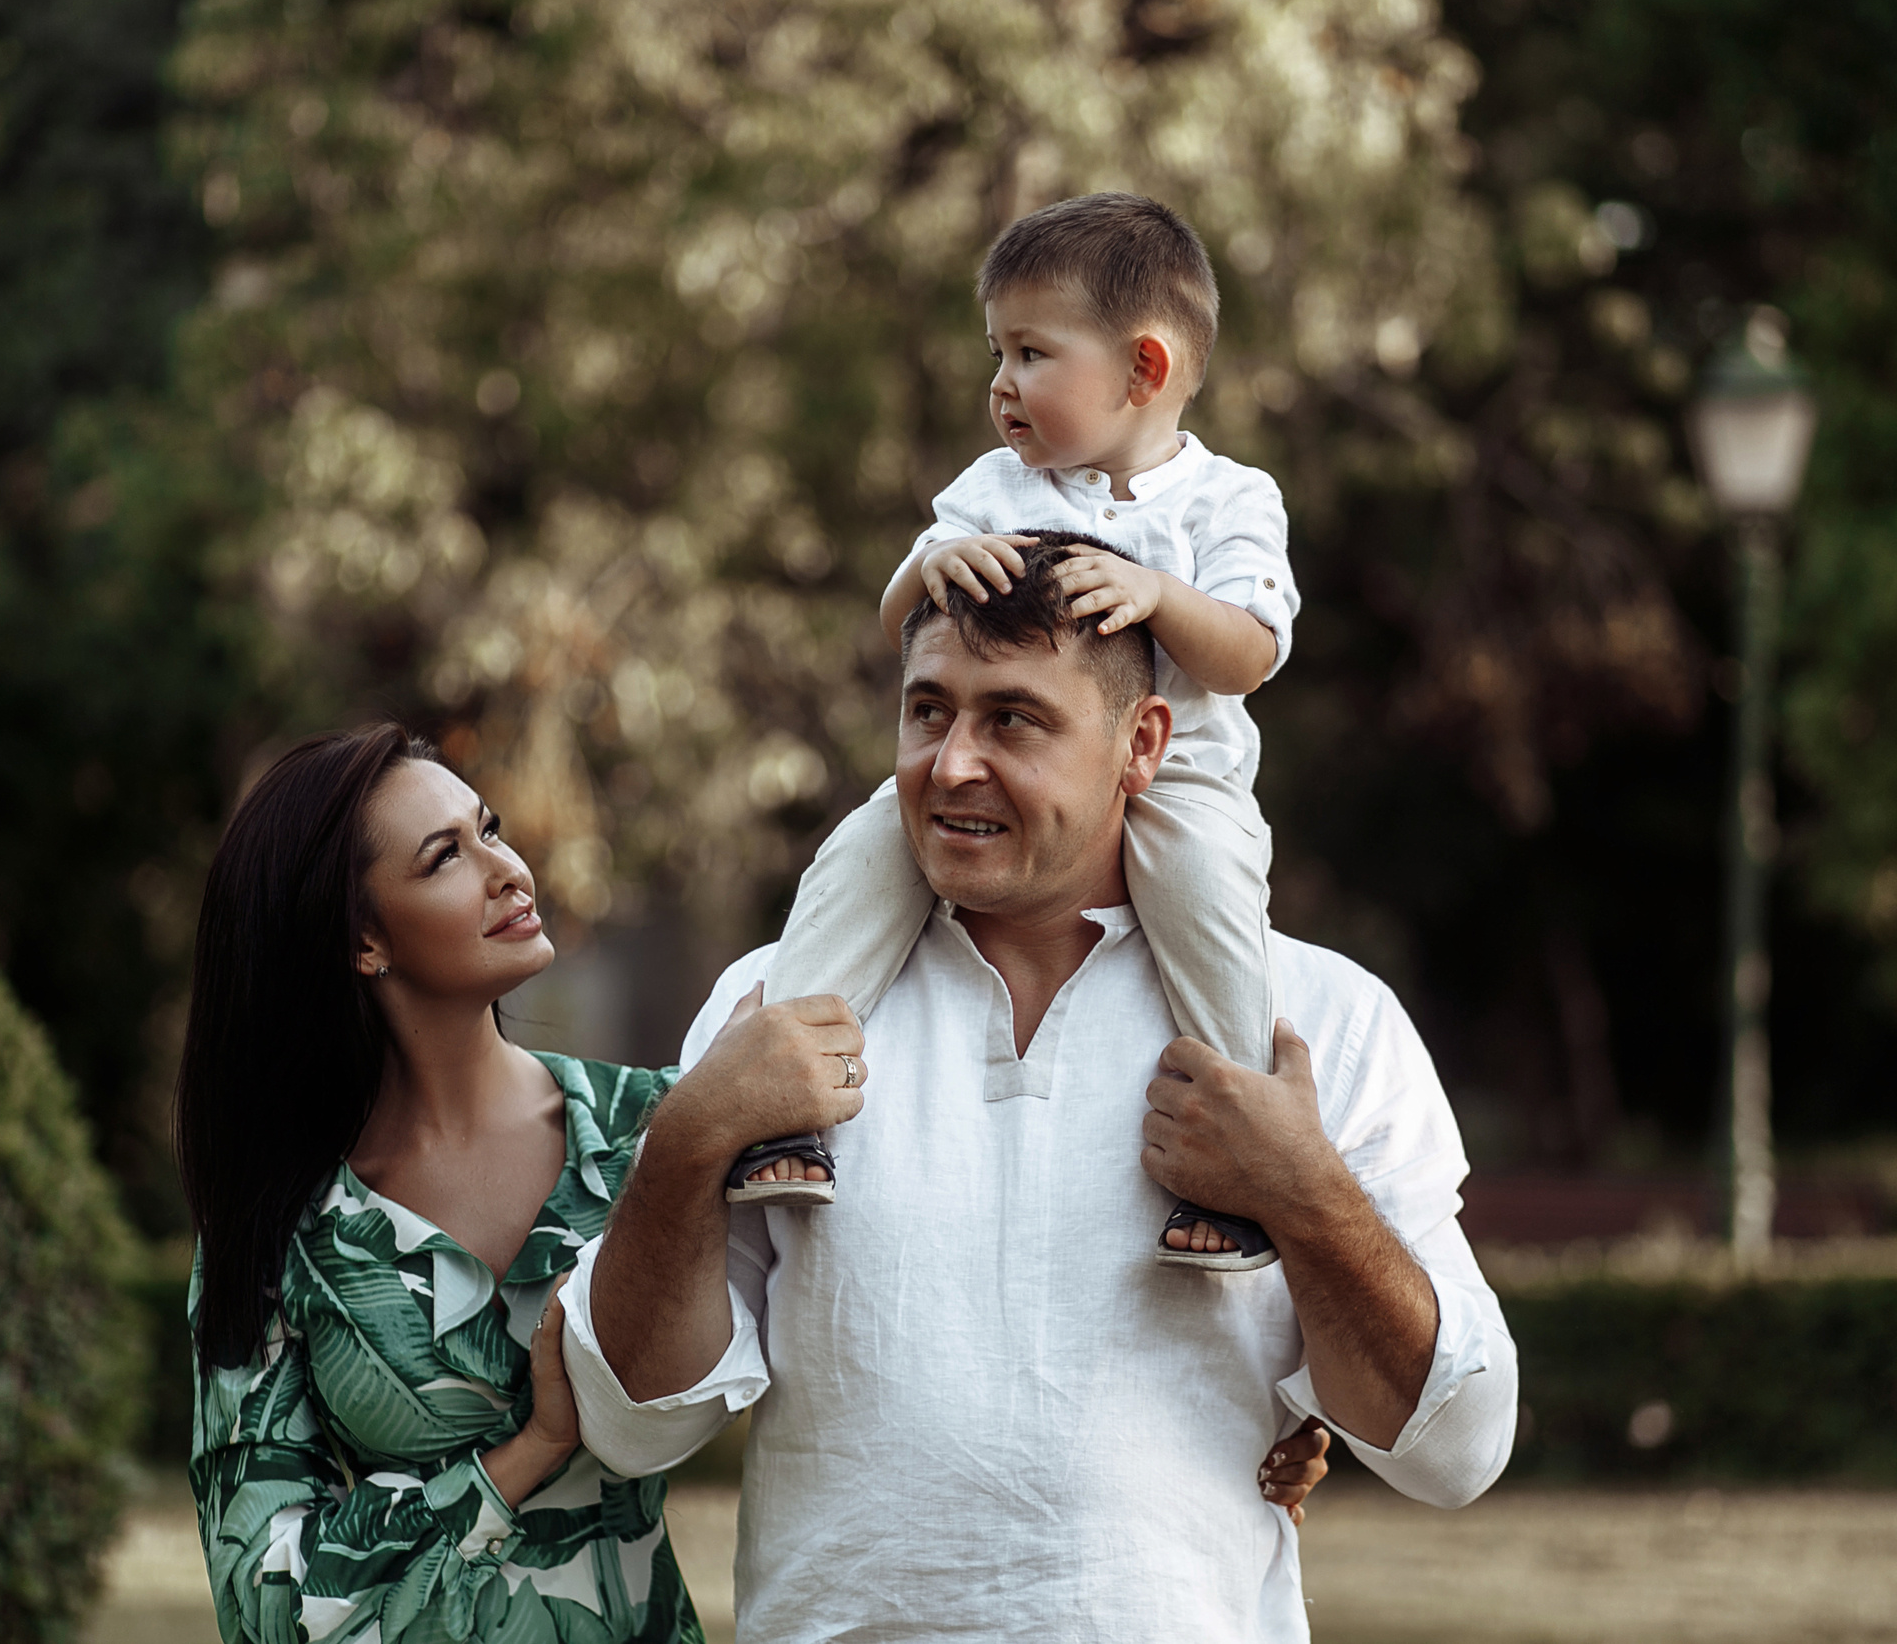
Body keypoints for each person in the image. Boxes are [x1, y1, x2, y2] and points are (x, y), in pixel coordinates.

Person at [552, 555, 1519, 1640]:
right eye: (928, 711)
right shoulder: (773, 1013)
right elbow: (631, 1422)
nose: (951, 763)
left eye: (1013, 719)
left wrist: (1303, 1194)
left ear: (1142, 745)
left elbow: (1456, 1446)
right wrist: (685, 1141)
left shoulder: (1323, 1022)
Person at [736, 192, 1298, 1273]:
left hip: (1180, 783)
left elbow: (1248, 651)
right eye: (996, 350)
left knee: (1210, 903)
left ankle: (1239, 1164)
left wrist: (1154, 592)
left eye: (1031, 351)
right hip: (995, 787)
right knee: (857, 859)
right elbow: (900, 614)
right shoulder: (998, 487)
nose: (1000, 382)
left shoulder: (1225, 499)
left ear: (1143, 367)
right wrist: (925, 569)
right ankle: (786, 1100)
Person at [174, 724, 705, 1643]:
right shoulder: (280, 1232)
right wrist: (523, 1455)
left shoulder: (655, 1133)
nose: (509, 870)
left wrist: (919, 599)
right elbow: (265, 1603)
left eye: (490, 829)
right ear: (364, 939)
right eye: (444, 858)